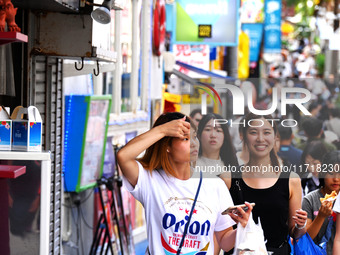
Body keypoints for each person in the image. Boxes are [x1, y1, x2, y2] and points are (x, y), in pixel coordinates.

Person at [117, 112, 253, 254]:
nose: (194, 143)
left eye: (195, 137)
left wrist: (243, 227)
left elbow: (224, 241)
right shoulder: (150, 180)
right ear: (167, 146)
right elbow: (123, 156)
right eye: (185, 138)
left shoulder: (215, 185)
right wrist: (162, 130)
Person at [220, 113, 307, 254]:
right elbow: (220, 234)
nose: (260, 139)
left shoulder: (291, 180)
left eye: (266, 132)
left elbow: (294, 232)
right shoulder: (228, 179)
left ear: (275, 136)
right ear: (243, 136)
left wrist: (300, 225)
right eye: (253, 132)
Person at [302, 150, 340, 255]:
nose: (336, 179)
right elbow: (305, 238)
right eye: (331, 173)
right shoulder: (310, 200)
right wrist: (321, 216)